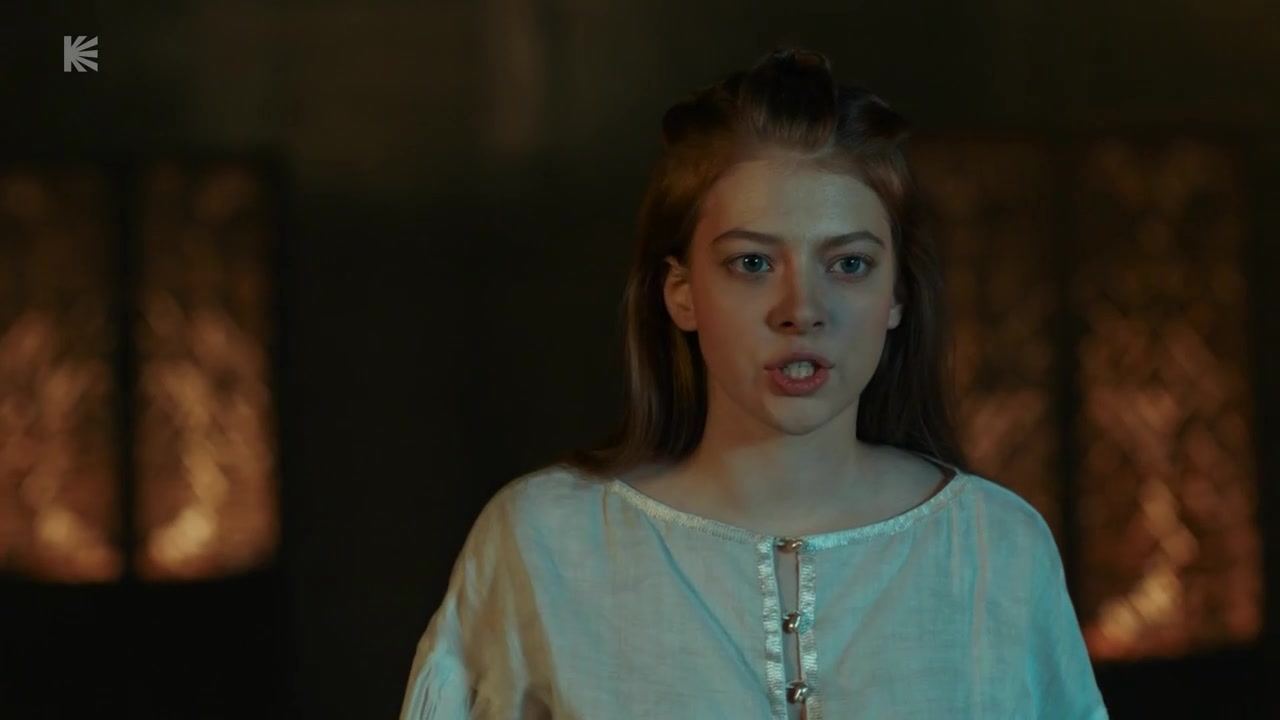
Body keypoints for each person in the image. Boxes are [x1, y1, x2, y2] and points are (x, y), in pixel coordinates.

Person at [400, 48, 1107, 719]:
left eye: (849, 264)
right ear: (681, 293)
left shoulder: (995, 547)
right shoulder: (544, 541)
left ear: (897, 295)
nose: (802, 309)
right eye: (753, 264)